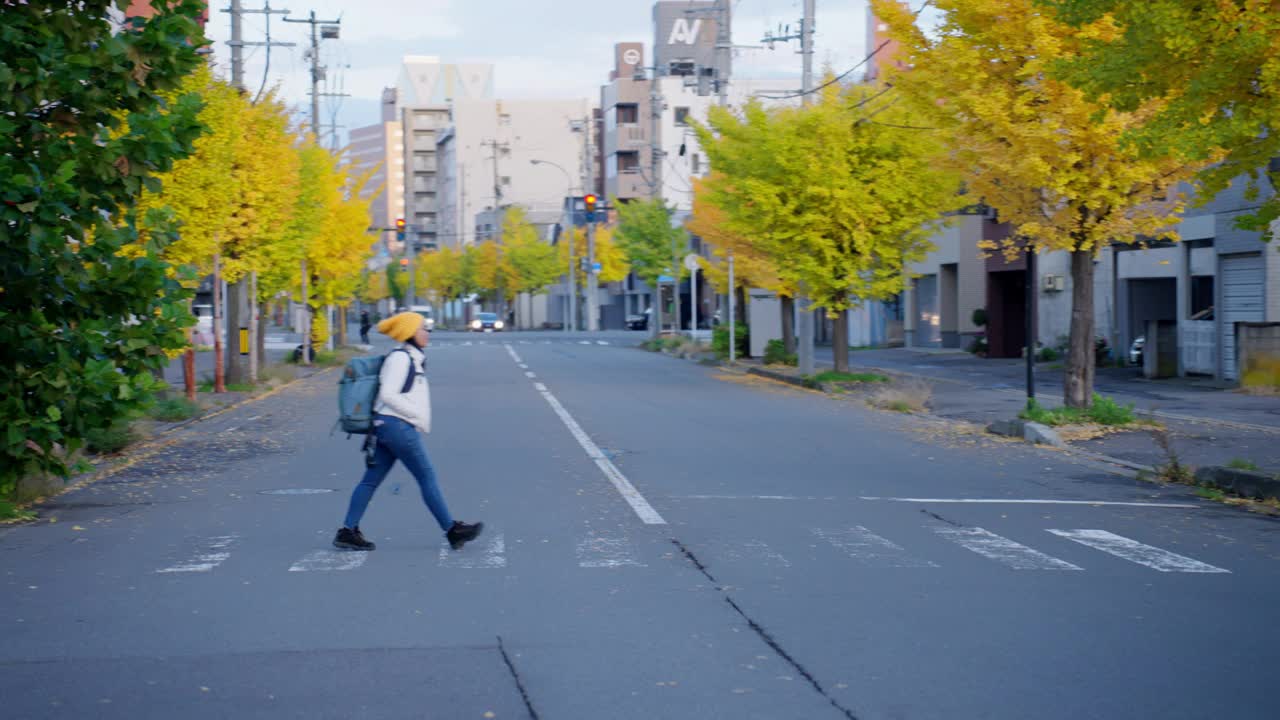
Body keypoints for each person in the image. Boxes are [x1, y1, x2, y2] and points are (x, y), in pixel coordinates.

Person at [334, 312, 483, 551]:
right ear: (410, 332)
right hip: (398, 426)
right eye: (423, 328)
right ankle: (452, 531)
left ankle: (347, 531)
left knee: (370, 481)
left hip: (387, 426)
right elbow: (388, 394)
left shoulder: (411, 357)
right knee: (426, 477)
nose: (427, 332)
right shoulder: (401, 359)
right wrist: (413, 414)